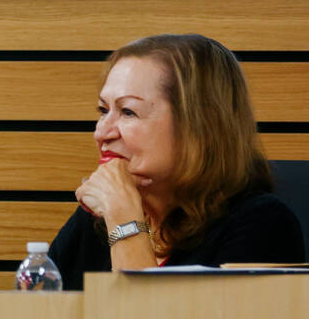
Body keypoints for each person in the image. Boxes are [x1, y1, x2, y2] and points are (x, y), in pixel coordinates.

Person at [50, 34, 304, 290]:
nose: (101, 133)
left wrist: (125, 222)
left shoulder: (263, 225)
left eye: (128, 112)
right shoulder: (97, 217)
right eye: (103, 111)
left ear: (197, 128)